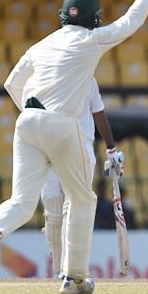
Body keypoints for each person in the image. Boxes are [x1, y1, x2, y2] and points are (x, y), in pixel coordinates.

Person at [0, 0, 148, 294]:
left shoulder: (41, 45)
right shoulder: (89, 40)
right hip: (62, 123)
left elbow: (12, 83)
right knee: (83, 199)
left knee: (23, 201)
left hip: (26, 121)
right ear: (93, 18)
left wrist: (36, 113)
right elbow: (130, 23)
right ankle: (74, 278)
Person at [40, 77, 120, 278]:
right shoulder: (81, 77)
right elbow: (99, 114)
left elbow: (98, 113)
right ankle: (66, 271)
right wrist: (111, 147)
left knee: (60, 207)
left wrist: (111, 147)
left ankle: (63, 270)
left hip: (53, 145)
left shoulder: (83, 78)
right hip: (76, 148)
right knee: (67, 206)